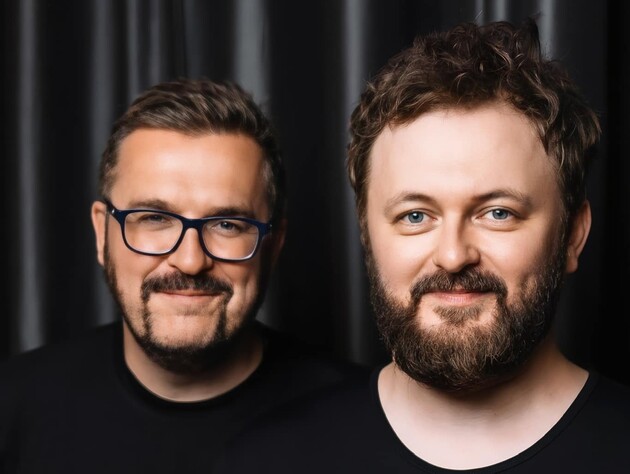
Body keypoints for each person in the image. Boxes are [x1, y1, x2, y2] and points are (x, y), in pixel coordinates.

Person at [216, 19, 630, 473]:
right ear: (366, 234)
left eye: (498, 213)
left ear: (573, 235)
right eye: (415, 216)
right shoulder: (266, 459)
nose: (453, 256)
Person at [0, 78, 365, 473]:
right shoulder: (12, 406)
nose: (190, 261)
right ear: (102, 234)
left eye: (227, 224)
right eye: (154, 218)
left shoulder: (358, 422)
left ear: (273, 246)